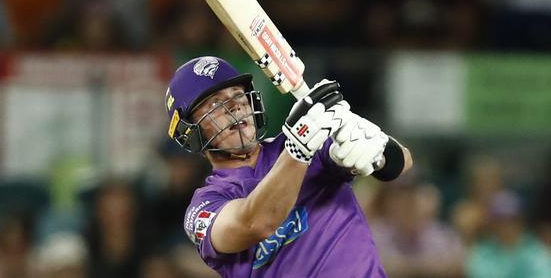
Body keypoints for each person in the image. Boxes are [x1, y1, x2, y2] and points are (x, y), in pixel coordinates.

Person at [165, 56, 413, 277]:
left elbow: (401, 163)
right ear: (190, 132)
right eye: (215, 104)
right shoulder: (204, 206)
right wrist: (298, 150)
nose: (235, 106)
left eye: (238, 94)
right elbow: (254, 223)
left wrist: (375, 151)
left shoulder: (308, 141)